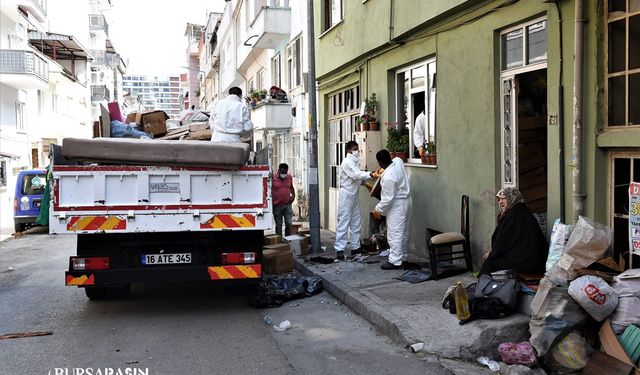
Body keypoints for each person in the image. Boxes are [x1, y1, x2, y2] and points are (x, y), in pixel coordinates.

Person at [479, 188, 549, 275]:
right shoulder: (522, 212)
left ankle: (482, 286)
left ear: (511, 198)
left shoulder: (514, 215)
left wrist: (491, 254)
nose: (500, 202)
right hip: (534, 261)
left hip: (528, 263)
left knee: (489, 263)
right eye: (499, 199)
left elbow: (502, 242)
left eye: (503, 198)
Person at [334, 141, 378, 260]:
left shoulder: (355, 161)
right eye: (355, 148)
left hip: (354, 194)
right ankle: (339, 249)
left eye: (357, 148)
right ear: (348, 150)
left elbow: (357, 178)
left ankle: (356, 247)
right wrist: (371, 174)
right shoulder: (347, 162)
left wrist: (365, 183)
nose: (357, 150)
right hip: (347, 195)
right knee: (343, 221)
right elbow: (356, 175)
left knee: (356, 222)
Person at [372, 149, 412, 270]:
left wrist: (377, 209)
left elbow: (387, 199)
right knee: (405, 231)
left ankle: (395, 261)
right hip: (407, 201)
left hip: (397, 205)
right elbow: (394, 162)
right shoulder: (398, 161)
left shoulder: (388, 177)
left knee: (395, 233)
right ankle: (403, 257)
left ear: (379, 163)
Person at [272, 163, 295, 238]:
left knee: (289, 223)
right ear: (279, 170)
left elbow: (291, 187)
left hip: (287, 205)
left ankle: (287, 239)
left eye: (285, 172)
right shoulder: (273, 178)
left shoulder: (289, 177)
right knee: (278, 225)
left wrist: (293, 196)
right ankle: (279, 242)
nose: (284, 174)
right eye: (282, 172)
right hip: (277, 206)